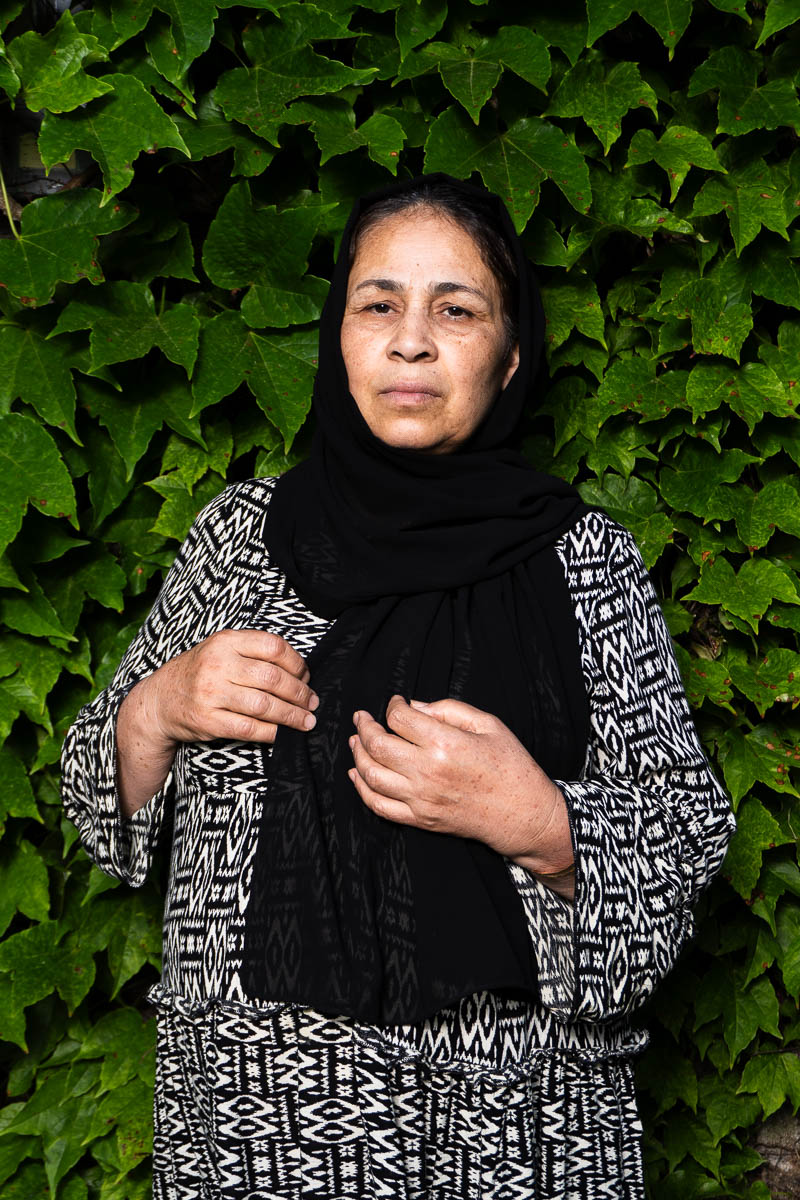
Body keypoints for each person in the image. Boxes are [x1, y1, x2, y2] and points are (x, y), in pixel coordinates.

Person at [61, 173, 735, 1200]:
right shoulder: (239, 542)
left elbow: (681, 847)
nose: (409, 341)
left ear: (509, 358)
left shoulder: (582, 563)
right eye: (377, 303)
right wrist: (157, 708)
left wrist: (537, 818)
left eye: (454, 310)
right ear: (337, 337)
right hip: (255, 1133)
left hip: (513, 1139)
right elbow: (96, 810)